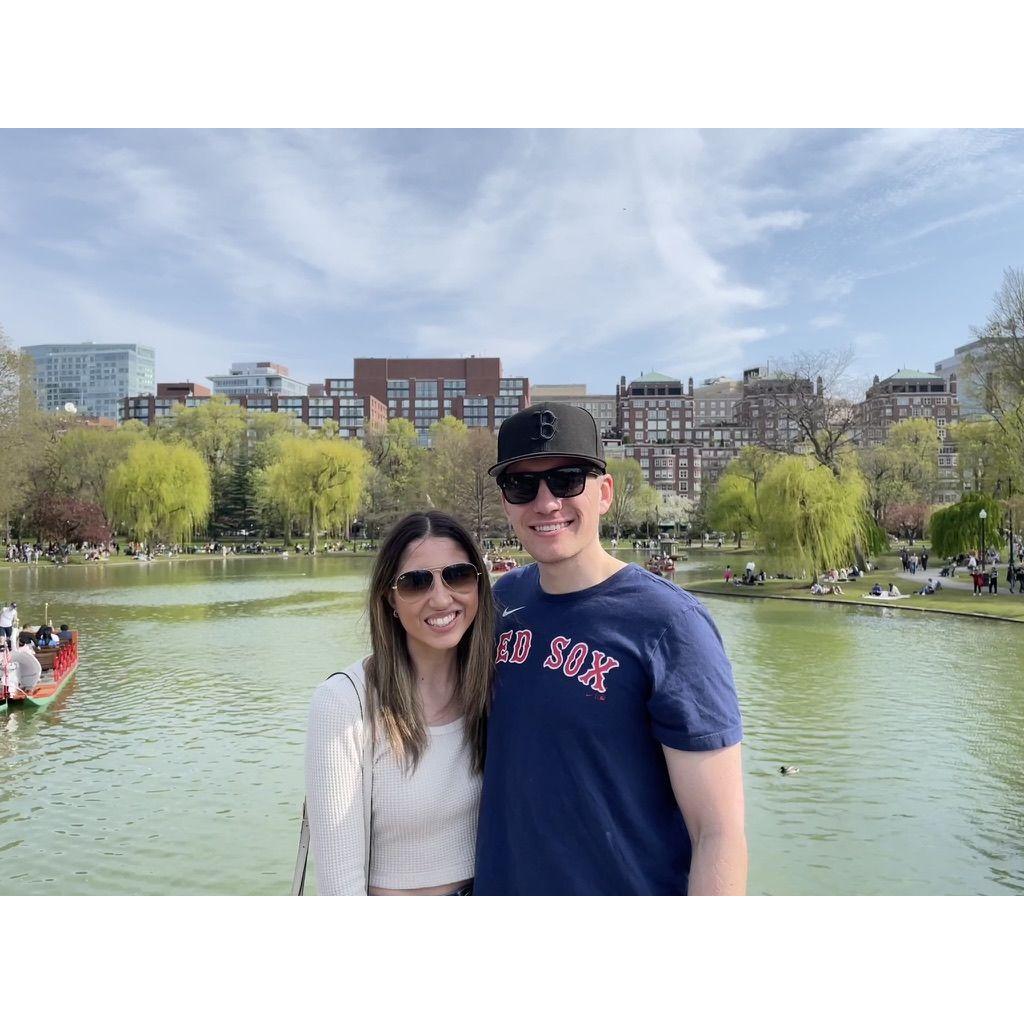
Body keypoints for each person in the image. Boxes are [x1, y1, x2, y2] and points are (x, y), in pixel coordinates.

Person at [474, 403, 746, 896]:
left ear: (604, 493)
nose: (546, 502)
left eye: (567, 480)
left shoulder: (671, 625)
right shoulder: (501, 601)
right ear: (506, 503)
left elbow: (718, 833)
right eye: (522, 485)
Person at [305, 511, 493, 896]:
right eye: (416, 582)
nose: (440, 598)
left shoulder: (496, 686)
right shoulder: (343, 704)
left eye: (458, 575)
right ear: (389, 597)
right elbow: (340, 888)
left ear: (479, 584)